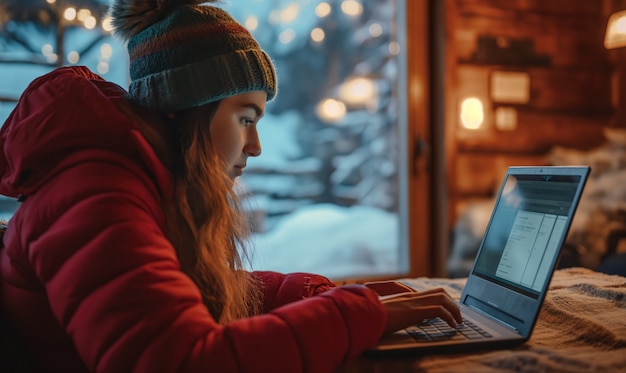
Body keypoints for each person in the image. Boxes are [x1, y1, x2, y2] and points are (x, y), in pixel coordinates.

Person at [0, 0, 461, 371]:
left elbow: (181, 299)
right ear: (184, 109)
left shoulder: (129, 180)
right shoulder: (96, 197)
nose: (255, 146)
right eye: (245, 118)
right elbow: (187, 359)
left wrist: (317, 297)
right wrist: (359, 314)